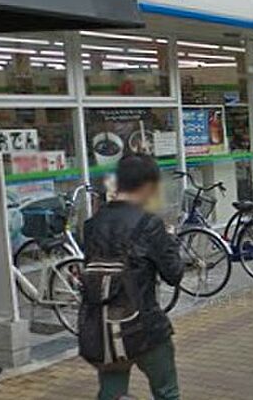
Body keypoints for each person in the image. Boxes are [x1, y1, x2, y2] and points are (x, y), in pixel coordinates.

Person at [81, 154, 184, 400]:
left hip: (104, 327)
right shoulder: (149, 223)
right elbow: (174, 274)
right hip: (145, 326)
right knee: (167, 392)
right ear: (148, 185)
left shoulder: (93, 224)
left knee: (111, 393)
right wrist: (170, 240)